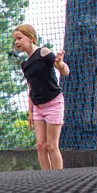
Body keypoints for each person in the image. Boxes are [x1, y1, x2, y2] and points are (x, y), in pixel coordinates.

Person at [13, 24, 70, 170]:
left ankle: (58, 179)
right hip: (38, 107)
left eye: (19, 38)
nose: (16, 42)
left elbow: (65, 72)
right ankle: (46, 178)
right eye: (15, 40)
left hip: (53, 103)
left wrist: (60, 64)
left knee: (52, 146)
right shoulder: (25, 64)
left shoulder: (44, 53)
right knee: (40, 145)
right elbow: (31, 87)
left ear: (31, 38)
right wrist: (31, 111)